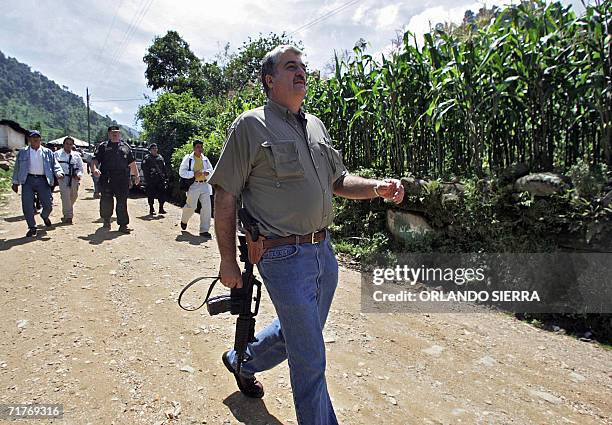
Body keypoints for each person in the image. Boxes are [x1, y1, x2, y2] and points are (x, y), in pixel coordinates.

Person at [208, 45, 404, 425]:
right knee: (310, 355)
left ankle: (241, 360)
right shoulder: (250, 125)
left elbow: (339, 181)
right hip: (281, 255)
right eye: (290, 67)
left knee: (298, 332)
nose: (301, 72)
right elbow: (226, 193)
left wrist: (377, 186)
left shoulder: (315, 125)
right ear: (269, 80)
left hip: (323, 253)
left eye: (303, 66)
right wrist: (228, 260)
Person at [11, 130, 64, 237]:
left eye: (37, 137)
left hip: (43, 180)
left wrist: (59, 172)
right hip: (28, 180)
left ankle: (44, 216)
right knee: (27, 205)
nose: (35, 139)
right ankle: (32, 227)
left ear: (40, 139)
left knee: (48, 205)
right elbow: (17, 167)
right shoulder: (23, 152)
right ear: (29, 139)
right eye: (33, 137)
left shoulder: (47, 152)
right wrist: (15, 182)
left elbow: (55, 165)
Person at [90, 125, 140, 233]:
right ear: (109, 134)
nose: (115, 134)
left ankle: (123, 225)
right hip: (107, 178)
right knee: (106, 200)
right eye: (113, 132)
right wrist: (94, 170)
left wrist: (136, 176)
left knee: (122, 201)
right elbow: (94, 160)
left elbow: (132, 163)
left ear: (119, 134)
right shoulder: (103, 146)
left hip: (122, 179)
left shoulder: (125, 146)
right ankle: (106, 220)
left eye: (117, 132)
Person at [178, 139, 214, 238]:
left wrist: (207, 173)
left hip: (204, 185)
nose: (200, 149)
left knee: (207, 208)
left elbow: (211, 170)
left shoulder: (205, 159)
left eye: (201, 147)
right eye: (198, 147)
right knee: (191, 206)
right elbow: (181, 172)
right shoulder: (188, 158)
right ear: (194, 148)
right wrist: (193, 174)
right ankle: (184, 220)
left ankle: (204, 230)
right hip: (193, 185)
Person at [54, 136, 84, 224]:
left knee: (74, 196)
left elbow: (80, 167)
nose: (68, 146)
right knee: (65, 196)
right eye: (67, 144)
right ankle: (68, 216)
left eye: (70, 144)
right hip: (63, 178)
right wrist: (58, 174)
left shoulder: (76, 155)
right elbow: (54, 165)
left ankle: (67, 209)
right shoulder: (57, 154)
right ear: (64, 144)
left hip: (74, 178)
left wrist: (78, 175)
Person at [141, 143, 168, 215]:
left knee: (162, 194)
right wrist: (148, 178)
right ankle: (151, 208)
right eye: (153, 149)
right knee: (151, 194)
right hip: (151, 179)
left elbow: (164, 168)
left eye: (156, 148)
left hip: (160, 179)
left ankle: (161, 208)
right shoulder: (147, 158)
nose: (155, 150)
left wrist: (165, 177)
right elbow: (144, 169)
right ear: (150, 150)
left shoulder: (160, 157)